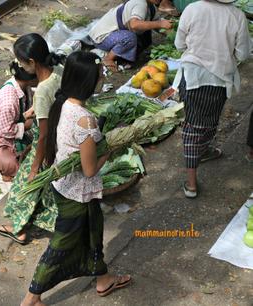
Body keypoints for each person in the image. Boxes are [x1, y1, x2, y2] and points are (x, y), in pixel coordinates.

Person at [21, 51, 131, 306]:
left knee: (93, 231)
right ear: (88, 82)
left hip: (67, 187)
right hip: (77, 193)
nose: (103, 79)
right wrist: (111, 147)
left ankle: (102, 279)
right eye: (100, 76)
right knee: (62, 243)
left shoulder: (64, 104)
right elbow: (90, 169)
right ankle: (31, 297)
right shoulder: (85, 119)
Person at [174, 0, 250, 198]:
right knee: (210, 121)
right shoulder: (237, 15)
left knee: (192, 127)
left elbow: (179, 44)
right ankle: (202, 153)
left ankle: (192, 182)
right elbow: (243, 53)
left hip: (193, 78)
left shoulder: (192, 9)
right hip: (220, 81)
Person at [0, 33, 64, 244]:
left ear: (31, 62)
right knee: (45, 188)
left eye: (22, 62)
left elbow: (42, 135)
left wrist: (34, 166)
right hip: (63, 135)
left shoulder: (41, 91)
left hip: (49, 145)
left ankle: (19, 229)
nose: (20, 66)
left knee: (25, 187)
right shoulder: (58, 72)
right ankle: (28, 225)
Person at [88, 0, 173, 72]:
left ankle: (120, 55)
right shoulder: (140, 4)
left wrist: (172, 36)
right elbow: (134, 25)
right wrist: (160, 24)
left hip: (115, 33)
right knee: (130, 37)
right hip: (102, 37)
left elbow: (155, 24)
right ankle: (108, 59)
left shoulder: (150, 7)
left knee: (146, 36)